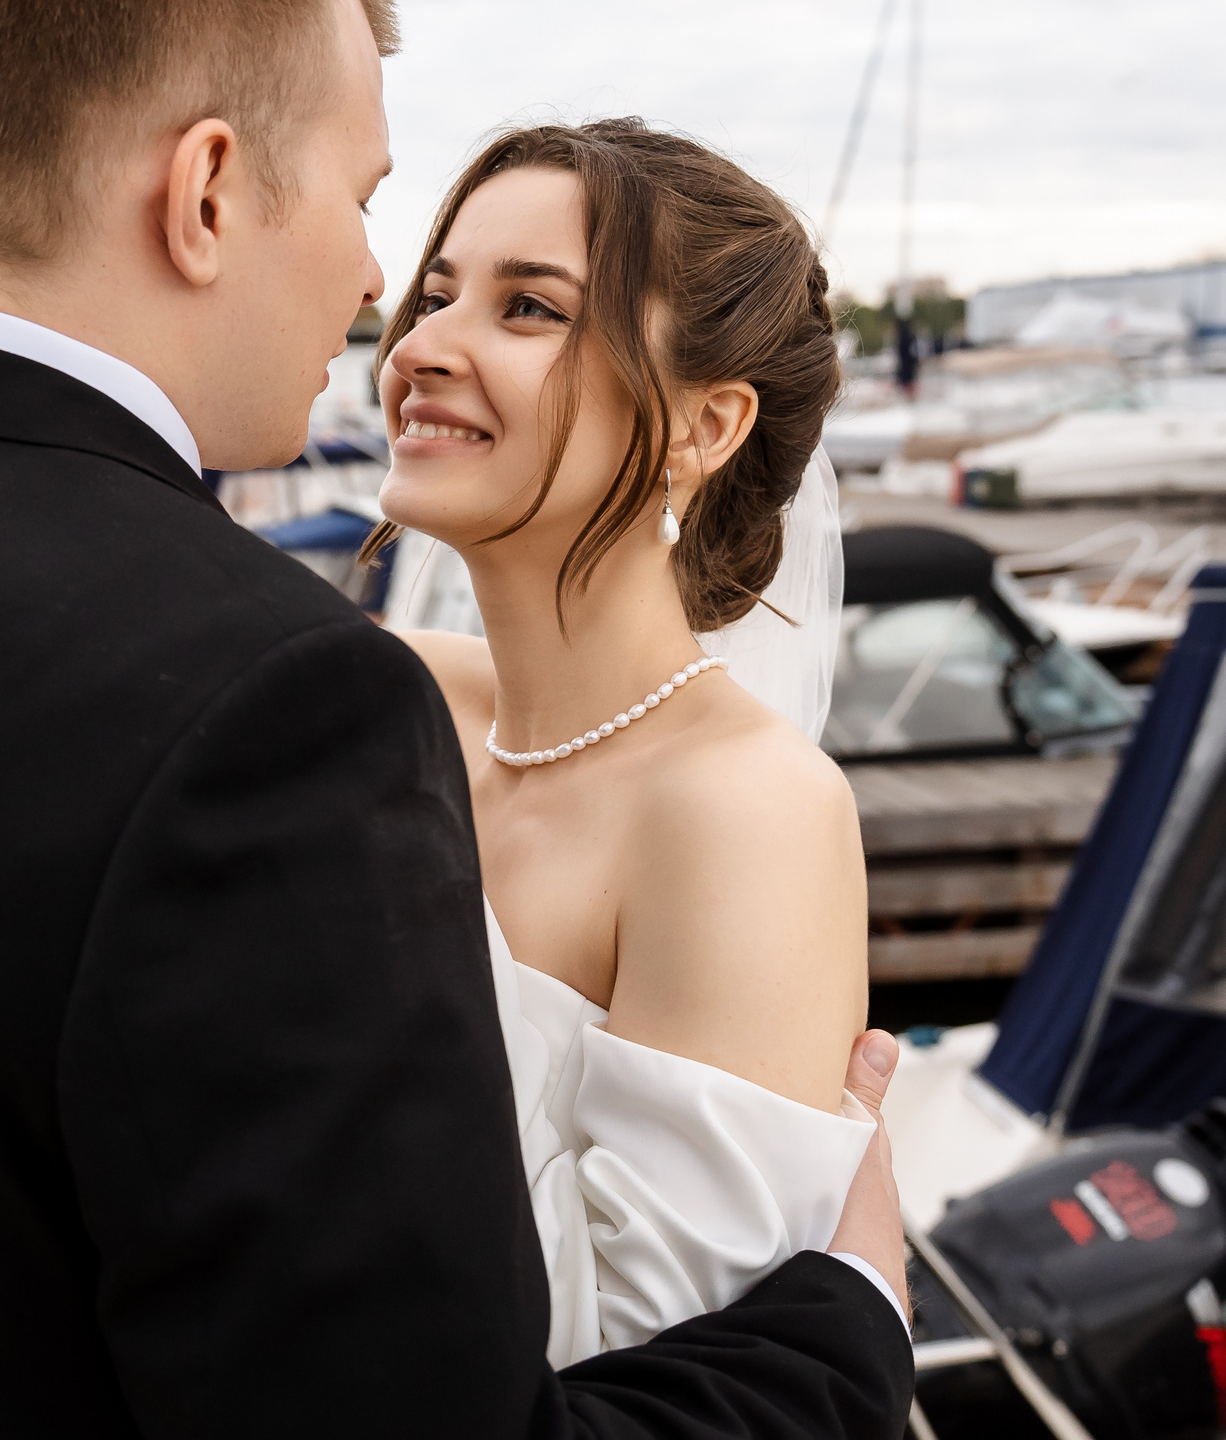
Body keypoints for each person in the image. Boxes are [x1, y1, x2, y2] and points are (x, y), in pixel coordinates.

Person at [0, 0, 914, 1437]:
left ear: (707, 424)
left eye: (527, 305)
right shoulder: (316, 701)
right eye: (420, 251)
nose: (401, 313)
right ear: (208, 190)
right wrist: (855, 1307)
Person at [372, 122, 880, 1365]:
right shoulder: (384, 703)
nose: (422, 347)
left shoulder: (745, 812)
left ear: (701, 428)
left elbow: (647, 1372)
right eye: (437, 294)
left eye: (527, 309)